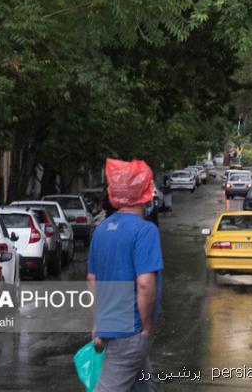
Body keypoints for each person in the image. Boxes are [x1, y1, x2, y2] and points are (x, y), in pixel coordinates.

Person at [88, 158, 163, 392]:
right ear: (146, 193)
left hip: (112, 327)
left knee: (142, 388)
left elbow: (93, 282)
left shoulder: (101, 230)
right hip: (130, 331)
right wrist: (146, 327)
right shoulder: (145, 231)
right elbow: (144, 284)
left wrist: (97, 325)